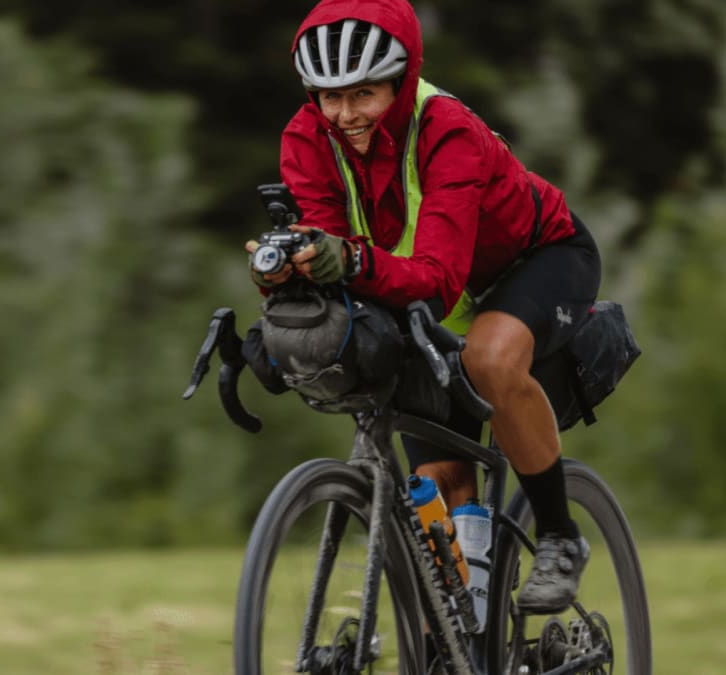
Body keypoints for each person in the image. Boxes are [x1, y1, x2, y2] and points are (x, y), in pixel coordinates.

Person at [245, 0, 601, 614]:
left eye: (363, 94)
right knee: (440, 488)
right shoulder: (307, 137)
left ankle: (561, 537)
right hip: (421, 289)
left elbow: (433, 279)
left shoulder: (448, 131)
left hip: (532, 260)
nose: (345, 114)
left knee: (489, 360)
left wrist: (351, 263)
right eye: (329, 97)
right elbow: (333, 248)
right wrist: (291, 279)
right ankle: (468, 619)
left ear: (401, 83)